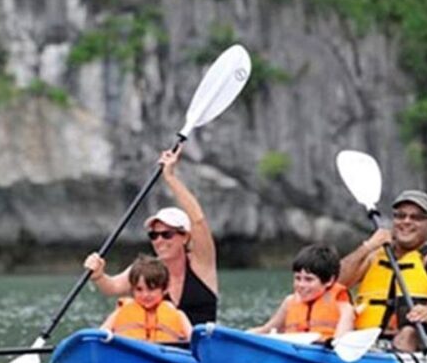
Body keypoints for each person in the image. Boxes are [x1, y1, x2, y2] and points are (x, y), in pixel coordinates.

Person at [85, 147, 218, 325]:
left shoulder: (201, 263)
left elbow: (198, 221)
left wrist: (170, 178)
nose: (159, 241)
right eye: (154, 235)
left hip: (203, 342)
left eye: (167, 234)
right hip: (162, 341)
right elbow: (112, 287)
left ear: (185, 237)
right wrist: (98, 275)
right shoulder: (147, 270)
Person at [338, 190, 427, 352]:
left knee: (407, 334)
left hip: (417, 336)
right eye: (400, 216)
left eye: (416, 217)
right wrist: (367, 247)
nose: (406, 221)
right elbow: (336, 281)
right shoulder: (374, 254)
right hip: (367, 338)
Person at [249, 244, 355, 342]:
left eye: (309, 279)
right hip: (293, 348)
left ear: (329, 281)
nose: (301, 285)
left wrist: (334, 343)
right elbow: (266, 330)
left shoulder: (342, 305)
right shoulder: (289, 302)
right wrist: (244, 336)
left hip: (324, 349)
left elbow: (341, 340)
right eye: (297, 278)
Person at [100, 254, 193, 343]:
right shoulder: (120, 312)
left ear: (164, 289)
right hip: (127, 352)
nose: (145, 295)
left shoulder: (179, 315)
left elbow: (195, 340)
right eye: (139, 289)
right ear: (132, 289)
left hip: (164, 352)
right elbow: (99, 335)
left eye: (151, 289)